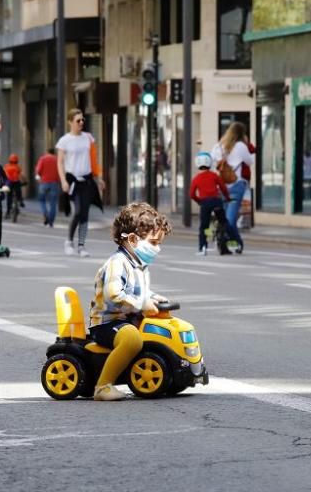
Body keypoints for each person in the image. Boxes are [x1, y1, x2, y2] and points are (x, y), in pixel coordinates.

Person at [88, 202, 172, 401]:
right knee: (132, 339)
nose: (157, 249)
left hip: (127, 320)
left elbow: (139, 292)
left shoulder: (139, 266)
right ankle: (103, 386)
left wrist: (151, 297)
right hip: (107, 323)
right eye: (153, 243)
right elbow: (114, 295)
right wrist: (141, 304)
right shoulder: (118, 263)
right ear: (133, 239)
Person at [57, 109, 104, 257]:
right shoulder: (64, 141)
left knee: (85, 214)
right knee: (77, 212)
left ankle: (82, 246)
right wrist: (63, 180)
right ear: (70, 122)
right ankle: (69, 241)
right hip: (73, 181)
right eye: (78, 120)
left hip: (87, 180)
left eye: (83, 120)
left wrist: (99, 177)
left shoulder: (88, 138)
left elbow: (94, 160)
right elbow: (60, 162)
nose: (81, 123)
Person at [211, 122, 254, 252]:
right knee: (230, 219)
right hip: (236, 185)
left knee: (227, 218)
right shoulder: (241, 146)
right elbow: (250, 161)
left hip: (221, 186)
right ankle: (232, 241)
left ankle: (229, 241)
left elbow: (212, 161)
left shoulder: (218, 146)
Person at [190, 151, 241, 256]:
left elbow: (191, 194)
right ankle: (235, 243)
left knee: (204, 226)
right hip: (216, 201)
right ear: (210, 163)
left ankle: (202, 247)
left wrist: (199, 200)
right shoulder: (214, 176)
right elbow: (223, 188)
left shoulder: (196, 179)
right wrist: (227, 198)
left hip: (205, 203)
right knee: (224, 222)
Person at [35, 146, 60, 227]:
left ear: (47, 151)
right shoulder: (57, 159)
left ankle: (45, 213)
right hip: (54, 183)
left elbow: (38, 170)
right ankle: (51, 221)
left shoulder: (43, 158)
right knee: (53, 203)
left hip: (44, 182)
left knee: (42, 200)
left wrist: (39, 176)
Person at [3, 153, 25, 220]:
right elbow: (21, 175)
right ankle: (21, 201)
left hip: (9, 183)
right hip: (16, 182)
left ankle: (8, 212)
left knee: (9, 197)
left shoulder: (6, 166)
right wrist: (25, 181)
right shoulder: (17, 167)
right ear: (17, 160)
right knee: (19, 192)